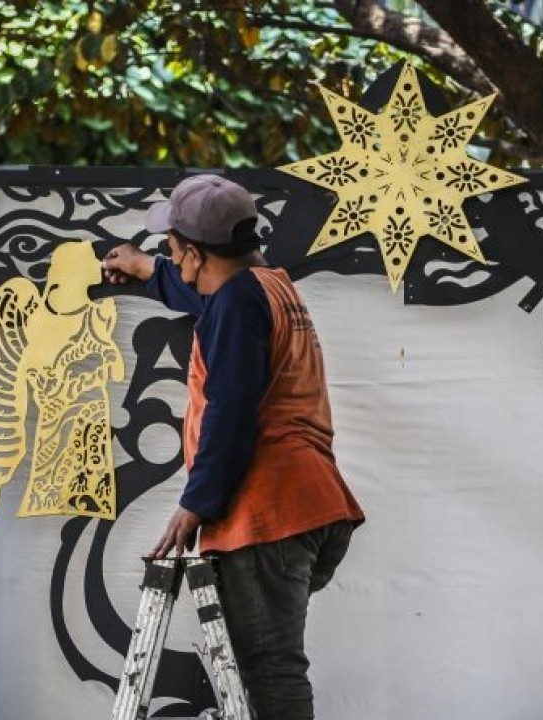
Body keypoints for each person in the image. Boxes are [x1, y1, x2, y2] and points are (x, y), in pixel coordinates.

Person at [102, 174, 364, 720]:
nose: (170, 255)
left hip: (269, 516)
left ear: (195, 253)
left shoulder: (236, 306)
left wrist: (196, 504)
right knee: (270, 663)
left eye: (172, 247)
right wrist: (147, 268)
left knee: (271, 670)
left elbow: (231, 411)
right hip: (312, 507)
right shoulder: (268, 285)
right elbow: (207, 297)